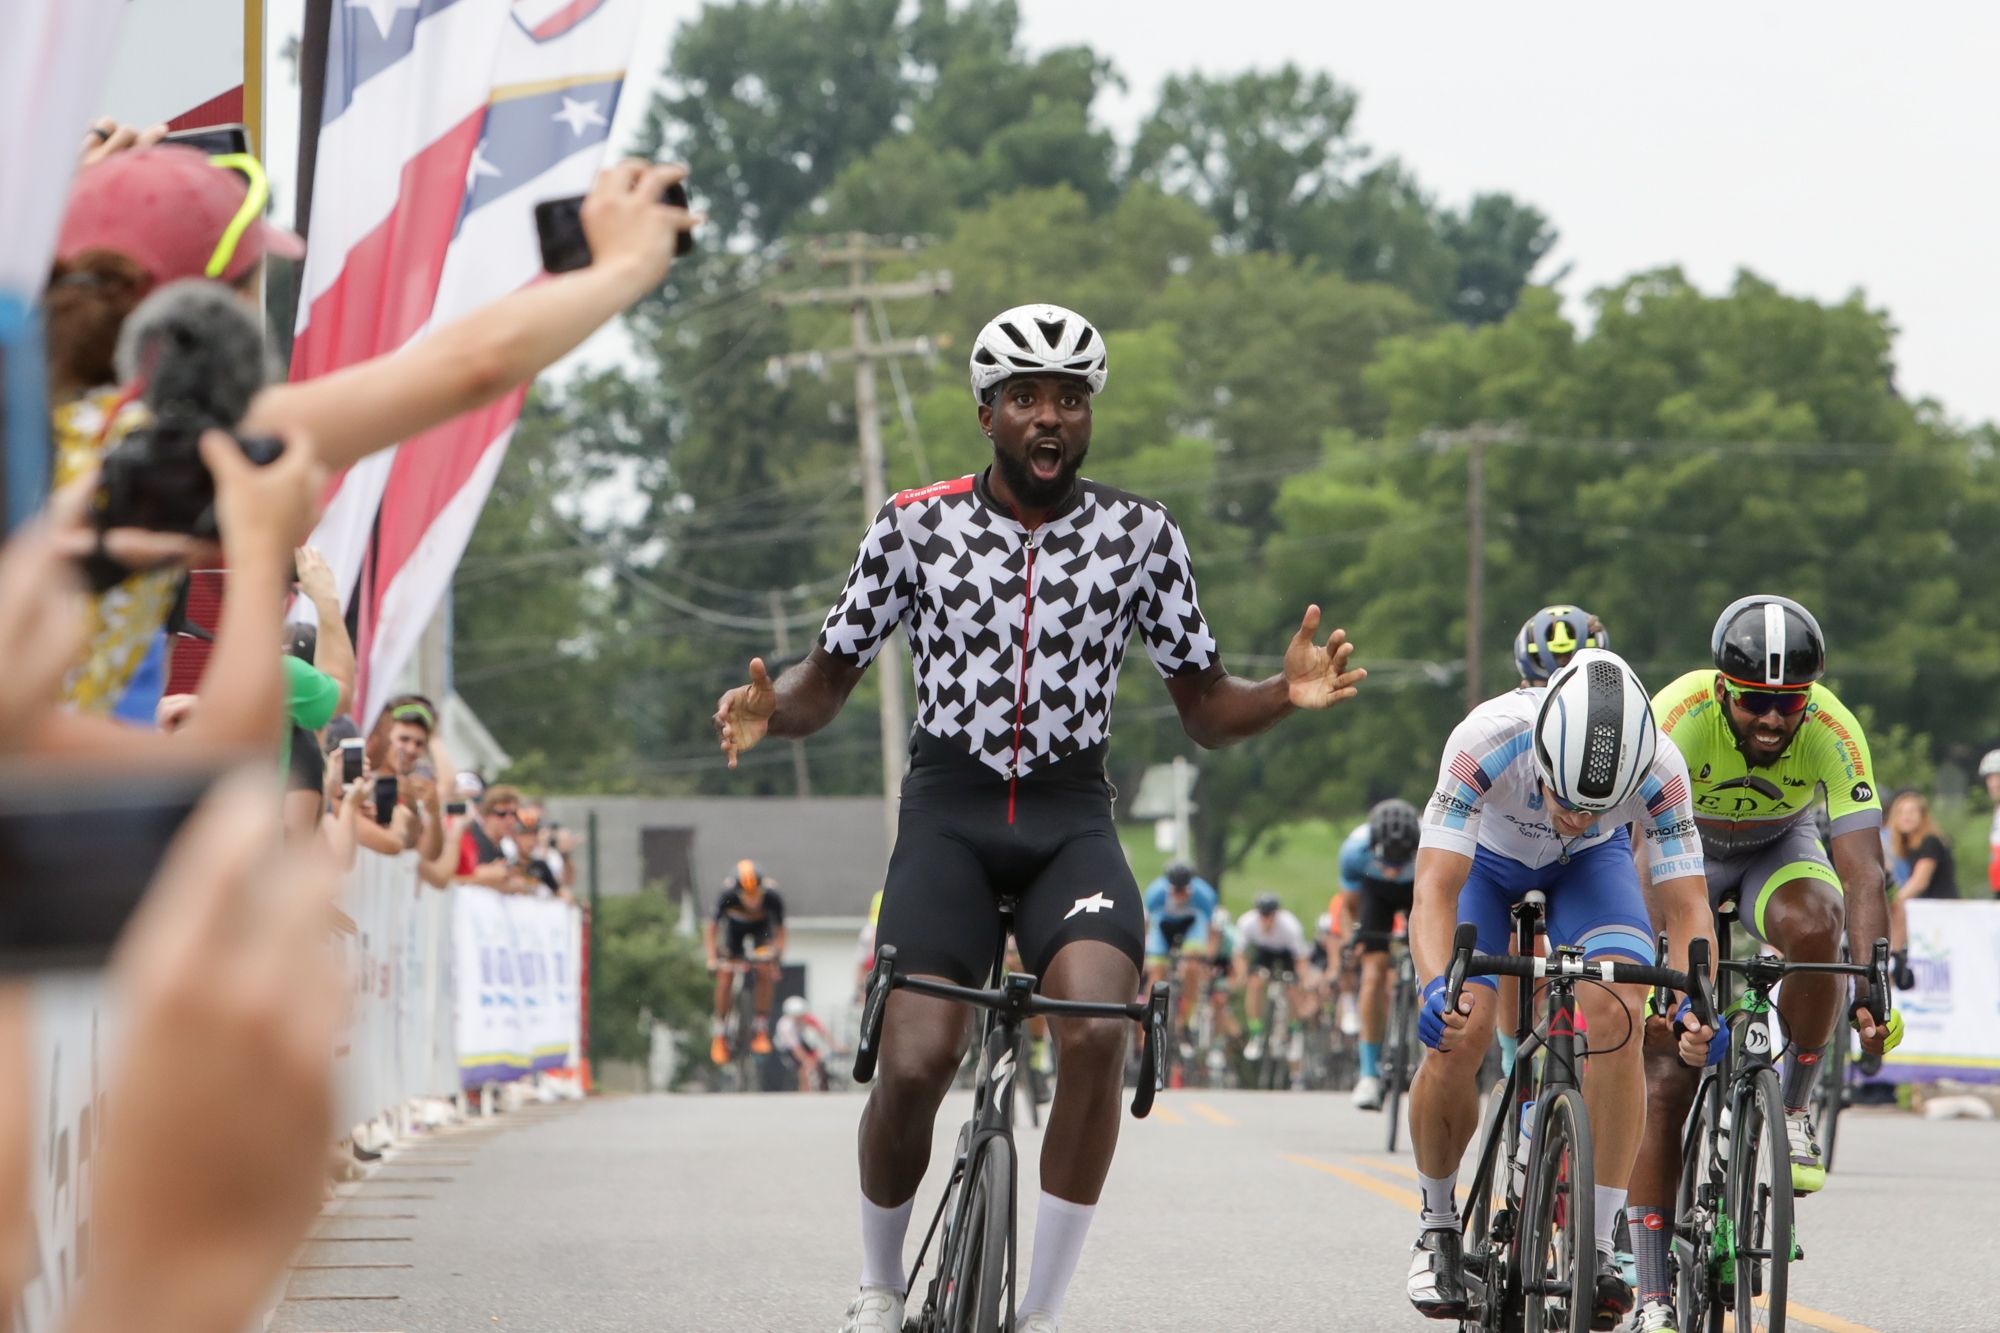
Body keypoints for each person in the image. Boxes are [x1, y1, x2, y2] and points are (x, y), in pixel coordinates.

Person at [711, 300, 1366, 1333]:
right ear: (987, 415)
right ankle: (879, 1283)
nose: (1048, 418)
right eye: (1025, 399)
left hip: (1067, 819)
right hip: (949, 815)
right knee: (920, 1056)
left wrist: (1282, 693)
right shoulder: (912, 525)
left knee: (1100, 1032)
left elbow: (1203, 710)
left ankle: (1043, 1309)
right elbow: (822, 681)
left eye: (1068, 398)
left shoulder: (1139, 536)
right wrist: (770, 709)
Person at [45, 142, 694, 714]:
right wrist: (626, 267)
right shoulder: (162, 445)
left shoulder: (42, 418)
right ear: (198, 315)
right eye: (248, 284)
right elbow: (473, 363)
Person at [1405, 649, 1715, 1328]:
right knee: (1465, 1025)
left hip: (1589, 871)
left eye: (1596, 806)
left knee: (1620, 1010)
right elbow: (1434, 887)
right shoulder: (1487, 738)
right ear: (1543, 752)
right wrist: (1437, 987)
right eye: (1564, 797)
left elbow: (1688, 906)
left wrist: (1698, 996)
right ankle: (1437, 1222)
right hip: (1484, 866)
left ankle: (1600, 1241)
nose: (1574, 814)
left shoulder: (1660, 765)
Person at [1624, 596, 1900, 1333]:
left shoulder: (1835, 729)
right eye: (1754, 702)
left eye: (1789, 704)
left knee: (1819, 922)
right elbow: (1636, 848)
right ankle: (1651, 1292)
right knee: (1667, 1072)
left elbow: (1865, 868)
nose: (1773, 720)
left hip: (1778, 846)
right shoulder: (1675, 715)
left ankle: (1796, 1101)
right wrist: (1664, 978)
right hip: (1684, 855)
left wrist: (1873, 976)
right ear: (1721, 689)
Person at [1340, 797, 1420, 1111]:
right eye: (1387, 861)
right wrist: (1353, 943)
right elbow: (1349, 908)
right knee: (1373, 975)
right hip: (1374, 896)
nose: (1392, 870)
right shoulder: (1354, 851)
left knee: (1430, 969)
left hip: (1420, 888)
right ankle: (1368, 1074)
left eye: (1400, 863)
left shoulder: (1432, 843)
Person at [704, 859, 787, 1065]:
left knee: (764, 969)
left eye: (756, 895)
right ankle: (720, 1032)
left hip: (761, 931)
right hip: (734, 932)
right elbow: (712, 929)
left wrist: (776, 957)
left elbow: (780, 934)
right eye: (746, 897)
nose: (752, 901)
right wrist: (713, 958)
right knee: (725, 975)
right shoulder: (727, 896)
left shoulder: (772, 897)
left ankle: (760, 1027)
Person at [1885, 789, 1952, 986]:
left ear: (1923, 817)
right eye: (1902, 812)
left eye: (1913, 812)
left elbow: (1920, 881)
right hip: (1927, 911)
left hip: (1941, 909)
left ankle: (1894, 959)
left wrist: (1895, 900)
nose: (1907, 816)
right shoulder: (1907, 848)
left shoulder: (1930, 841)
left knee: (1897, 908)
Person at [1141, 860, 1218, 1032]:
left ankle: (1186, 1021)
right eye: (1175, 890)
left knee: (1191, 967)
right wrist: (1146, 952)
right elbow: (1147, 923)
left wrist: (1207, 956)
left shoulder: (1203, 894)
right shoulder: (1156, 893)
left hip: (1191, 926)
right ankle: (1151, 1015)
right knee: (1157, 971)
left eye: (1183, 890)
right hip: (1163, 926)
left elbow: (1210, 928)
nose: (1180, 895)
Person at [1237, 893, 1312, 1065]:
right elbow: (1239, 953)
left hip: (1286, 954)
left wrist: (1301, 979)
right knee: (1255, 983)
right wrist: (1243, 974)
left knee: (1292, 987)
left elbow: (1301, 959)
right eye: (1263, 914)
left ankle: (1294, 1031)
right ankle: (1256, 1032)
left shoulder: (1290, 926)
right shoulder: (1247, 923)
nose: (1266, 919)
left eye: (1270, 914)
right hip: (1264, 952)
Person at [775, 995, 834, 1093]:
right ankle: (805, 1091)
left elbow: (822, 1032)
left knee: (818, 1061)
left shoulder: (806, 1018)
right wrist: (807, 1061)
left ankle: (823, 1088)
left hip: (800, 1041)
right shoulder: (785, 1026)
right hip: (787, 1048)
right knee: (804, 1067)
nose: (802, 1018)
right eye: (798, 1016)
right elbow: (795, 1048)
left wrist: (836, 1046)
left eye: (802, 1015)